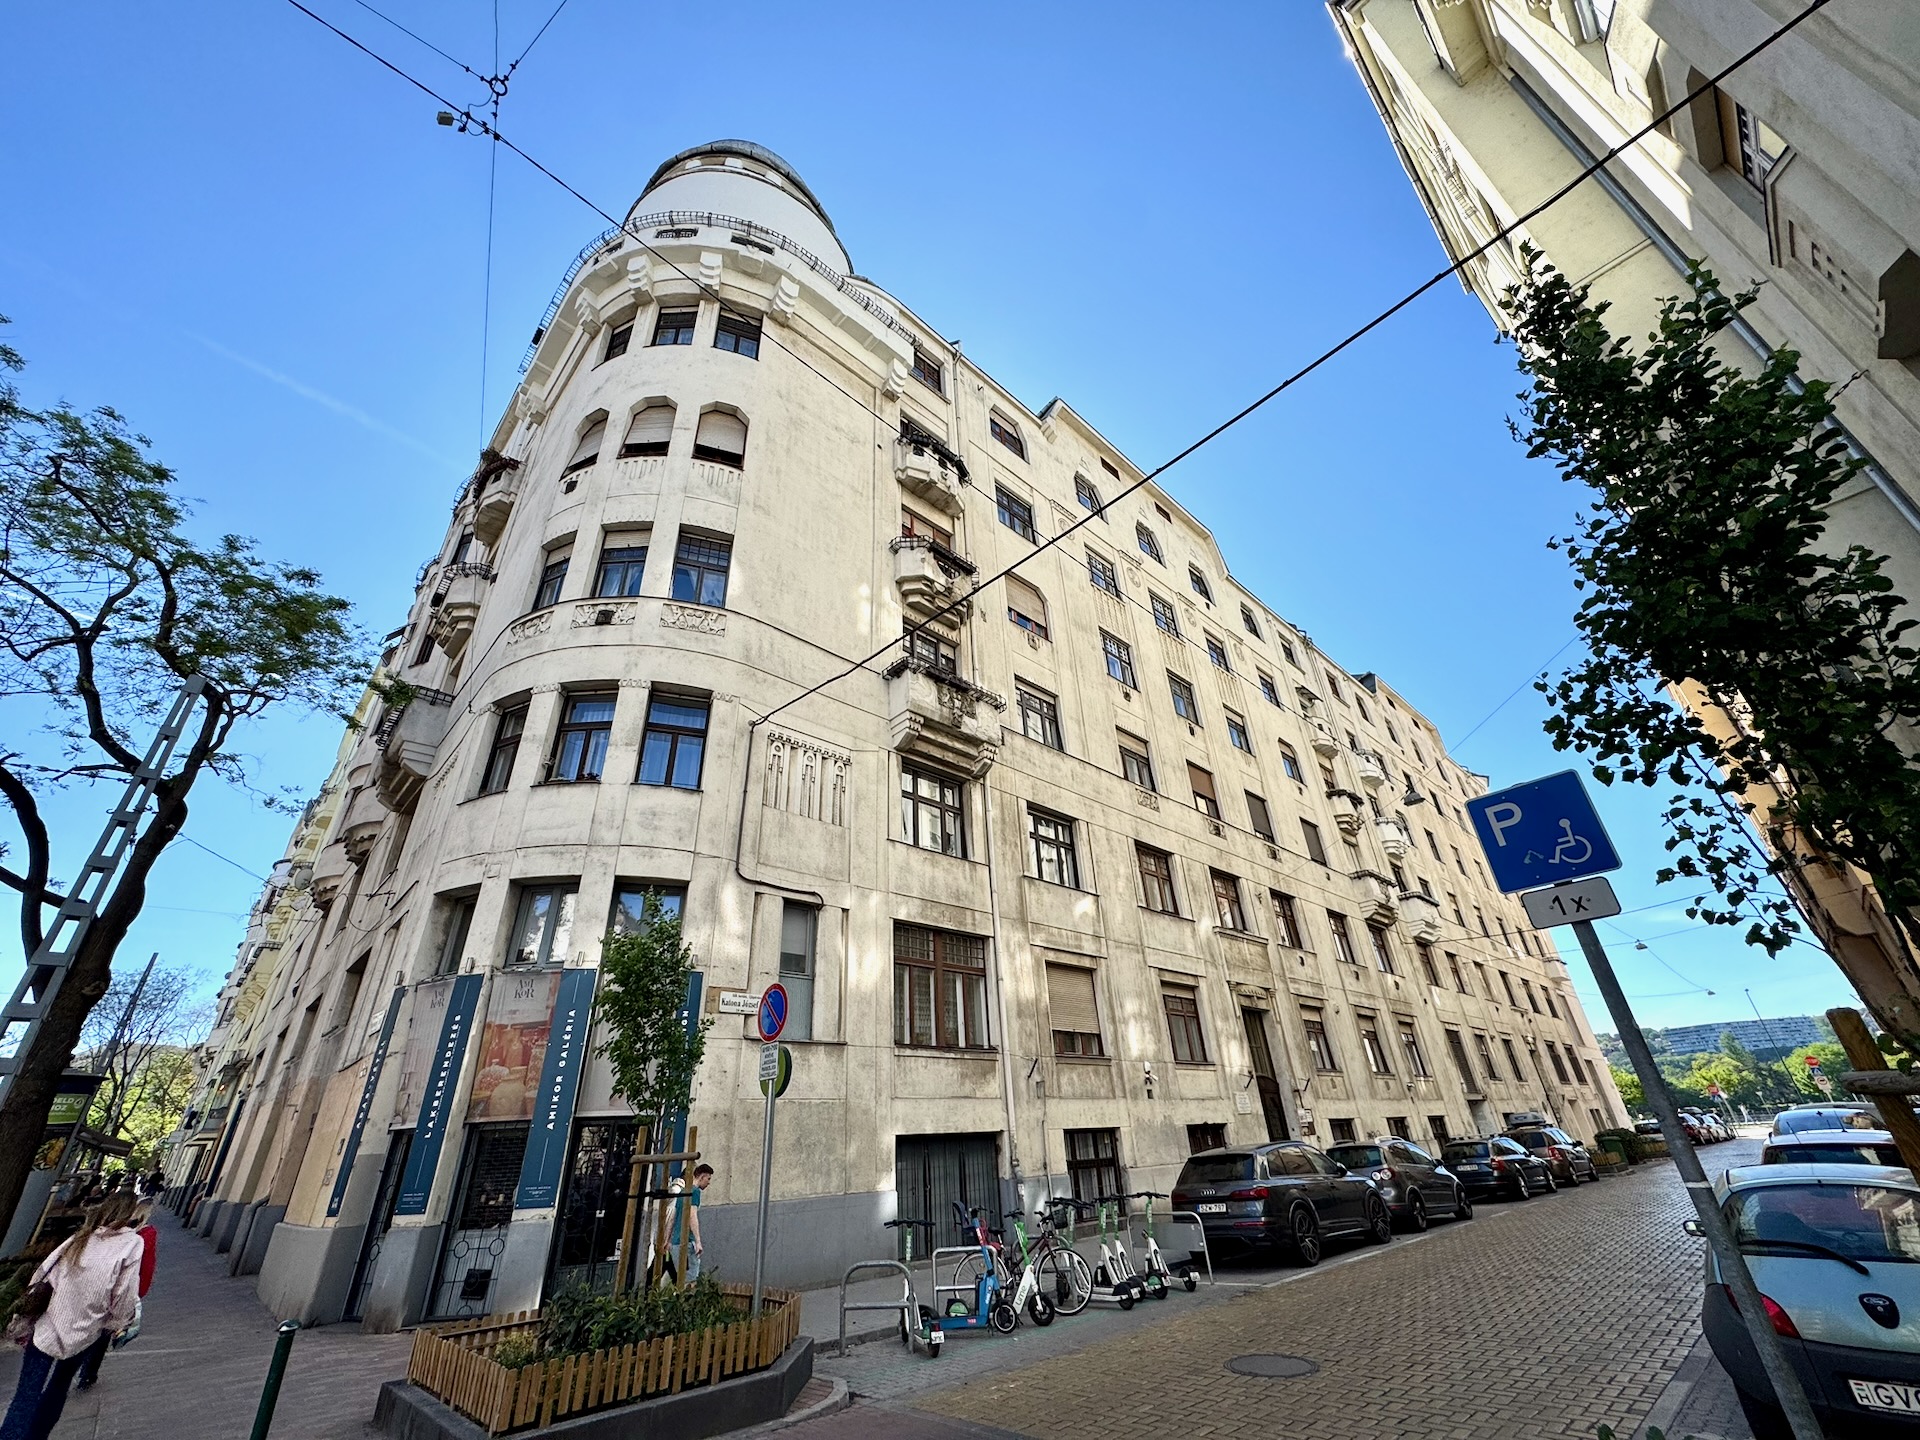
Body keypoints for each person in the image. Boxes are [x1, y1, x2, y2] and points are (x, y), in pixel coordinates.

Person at [2, 1192, 143, 1440]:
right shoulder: (132, 1244)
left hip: (48, 1326)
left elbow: (44, 1272)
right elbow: (124, 1293)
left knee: (26, 1394)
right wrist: (117, 1323)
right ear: (130, 1215)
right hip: (87, 1331)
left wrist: (28, 1310)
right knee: (58, 1388)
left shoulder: (80, 1238)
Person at [73, 1202, 157, 1391]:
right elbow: (147, 1266)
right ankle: (87, 1372)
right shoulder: (144, 1236)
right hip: (125, 1288)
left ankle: (81, 1368)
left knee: (92, 1328)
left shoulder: (114, 1233)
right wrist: (138, 1292)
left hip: (101, 1285)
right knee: (105, 1331)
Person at [665, 1164, 713, 1284]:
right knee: (691, 1281)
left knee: (681, 1279)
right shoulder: (695, 1191)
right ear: (701, 1177)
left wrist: (667, 1239)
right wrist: (698, 1241)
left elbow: (673, 1218)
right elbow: (692, 1215)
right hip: (687, 1242)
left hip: (675, 1243)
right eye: (708, 1179)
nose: (708, 1183)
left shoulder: (682, 1191)